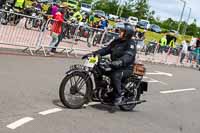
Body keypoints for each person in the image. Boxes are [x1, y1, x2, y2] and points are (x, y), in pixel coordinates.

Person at [82, 22, 136, 105]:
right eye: (120, 30)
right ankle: (100, 90)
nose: (119, 32)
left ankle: (118, 96)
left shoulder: (131, 43)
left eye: (122, 31)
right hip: (114, 64)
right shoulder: (116, 41)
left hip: (126, 68)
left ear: (127, 33)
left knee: (115, 75)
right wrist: (94, 54)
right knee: (98, 69)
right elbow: (106, 49)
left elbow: (129, 55)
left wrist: (120, 61)